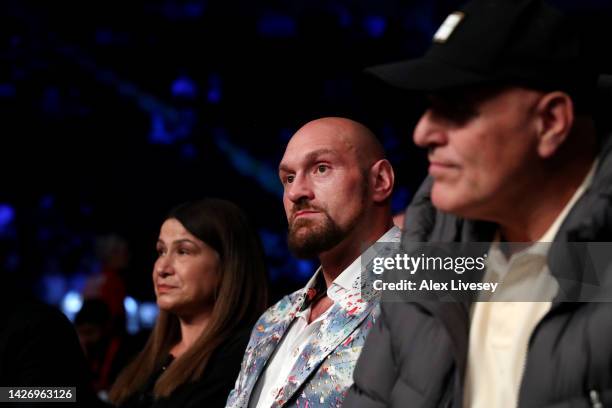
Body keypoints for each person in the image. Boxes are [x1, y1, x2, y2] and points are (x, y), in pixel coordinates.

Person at [346, 0, 612, 407]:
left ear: (551, 121)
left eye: (456, 109)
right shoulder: (425, 257)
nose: (422, 132)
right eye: (428, 108)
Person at [226, 117, 399, 408]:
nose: (296, 192)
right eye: (288, 178)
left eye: (321, 168)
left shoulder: (439, 279)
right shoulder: (273, 319)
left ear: (379, 181)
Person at [109, 199, 268, 408]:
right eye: (161, 251)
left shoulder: (244, 359)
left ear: (228, 265)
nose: (162, 268)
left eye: (183, 251)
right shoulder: (137, 353)